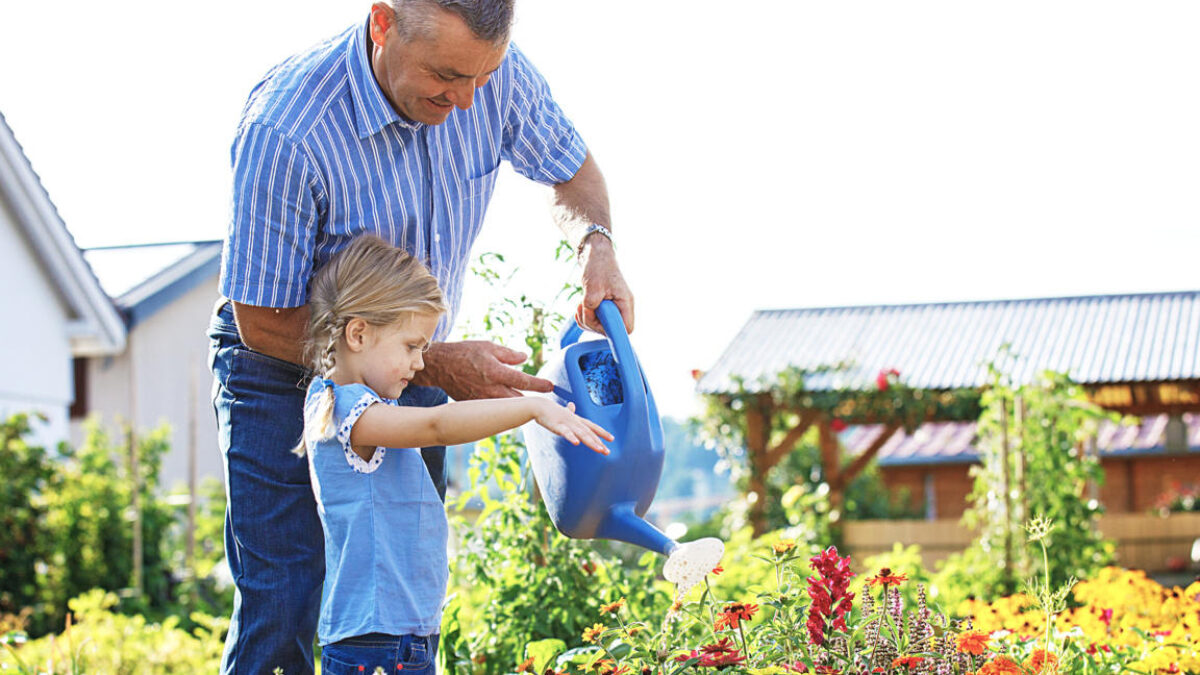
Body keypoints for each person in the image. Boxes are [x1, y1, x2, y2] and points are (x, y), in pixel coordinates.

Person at [208, 0, 633, 672]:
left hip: (409, 366)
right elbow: (260, 318)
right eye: (445, 77)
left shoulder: (497, 77)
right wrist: (432, 362)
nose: (466, 102)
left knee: (407, 588)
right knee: (284, 599)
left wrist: (596, 244)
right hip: (279, 356)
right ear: (383, 24)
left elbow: (571, 172)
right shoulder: (287, 127)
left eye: (480, 79)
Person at [294, 236, 611, 674]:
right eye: (411, 346)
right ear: (359, 333)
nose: (421, 364)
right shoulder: (348, 411)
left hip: (402, 634)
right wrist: (533, 408)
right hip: (376, 642)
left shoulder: (369, 408)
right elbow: (437, 425)